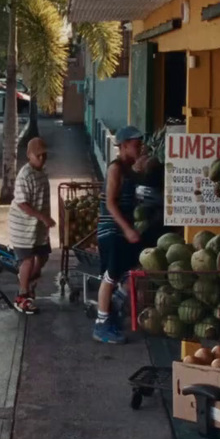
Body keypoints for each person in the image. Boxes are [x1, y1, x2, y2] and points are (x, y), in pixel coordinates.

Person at [94, 126, 145, 344]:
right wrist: (126, 229)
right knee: (110, 276)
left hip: (120, 231)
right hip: (112, 231)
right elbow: (111, 203)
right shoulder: (116, 169)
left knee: (123, 274)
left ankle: (110, 312)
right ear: (123, 146)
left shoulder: (128, 169)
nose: (139, 148)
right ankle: (101, 324)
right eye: (135, 145)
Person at [7, 136, 54, 315]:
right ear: (29, 155)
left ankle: (26, 280)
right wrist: (43, 217)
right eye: (38, 156)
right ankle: (22, 296)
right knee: (27, 260)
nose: (42, 159)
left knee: (42, 257)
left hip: (38, 228)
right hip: (22, 227)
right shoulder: (24, 175)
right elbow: (22, 203)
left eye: (44, 155)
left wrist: (44, 220)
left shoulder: (41, 173)